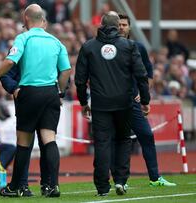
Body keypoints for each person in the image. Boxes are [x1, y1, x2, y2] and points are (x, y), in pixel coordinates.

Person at [0, 4, 71, 197]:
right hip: (50, 93)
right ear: (43, 20)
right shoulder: (56, 42)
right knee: (49, 139)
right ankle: (52, 186)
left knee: (24, 141)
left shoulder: (23, 38)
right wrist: (60, 91)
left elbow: (10, 61)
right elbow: (65, 71)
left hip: (30, 93)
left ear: (25, 20)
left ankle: (16, 187)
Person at [75, 11, 150, 196]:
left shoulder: (89, 47)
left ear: (101, 25)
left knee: (102, 143)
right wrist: (145, 100)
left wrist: (84, 102)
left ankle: (102, 187)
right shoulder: (129, 46)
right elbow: (142, 75)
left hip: (100, 104)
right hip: (124, 103)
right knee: (124, 140)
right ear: (118, 26)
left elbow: (79, 80)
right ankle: (121, 181)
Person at [117, 14, 176, 187]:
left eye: (124, 24)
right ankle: (121, 181)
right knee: (119, 140)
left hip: (133, 102)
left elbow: (148, 73)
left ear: (129, 27)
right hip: (115, 102)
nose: (121, 27)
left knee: (146, 136)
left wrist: (143, 94)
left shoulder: (139, 47)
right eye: (118, 24)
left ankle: (155, 177)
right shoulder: (109, 48)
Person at [0, 64, 50, 197]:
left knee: (37, 146)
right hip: (35, 103)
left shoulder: (22, 45)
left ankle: (43, 185)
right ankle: (38, 185)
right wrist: (14, 88)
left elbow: (5, 72)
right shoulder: (52, 45)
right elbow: (6, 74)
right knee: (38, 145)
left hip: (35, 103)